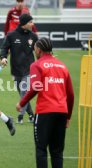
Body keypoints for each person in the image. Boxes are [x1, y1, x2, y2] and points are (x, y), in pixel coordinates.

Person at [16, 37, 74, 168]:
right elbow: (70, 94)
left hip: (45, 112)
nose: (34, 50)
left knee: (41, 149)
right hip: (62, 112)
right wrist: (68, 116)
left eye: (35, 48)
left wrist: (22, 102)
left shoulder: (36, 65)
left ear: (39, 49)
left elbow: (36, 87)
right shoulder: (62, 66)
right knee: (57, 152)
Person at [0, 14, 38, 124]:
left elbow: (40, 51)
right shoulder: (11, 35)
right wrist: (3, 58)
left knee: (24, 92)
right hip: (16, 71)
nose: (32, 24)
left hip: (30, 69)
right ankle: (31, 115)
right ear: (24, 24)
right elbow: (4, 48)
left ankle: (20, 117)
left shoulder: (33, 36)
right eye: (30, 22)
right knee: (23, 94)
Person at [0, 0, 38, 76]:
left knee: (22, 51)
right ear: (16, 2)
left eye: (22, 1)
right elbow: (7, 22)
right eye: (18, 1)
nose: (20, 3)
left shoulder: (26, 11)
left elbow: (29, 22)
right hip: (13, 33)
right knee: (7, 50)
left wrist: (35, 31)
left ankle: (27, 70)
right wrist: (6, 34)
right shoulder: (11, 11)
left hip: (23, 34)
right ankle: (1, 65)